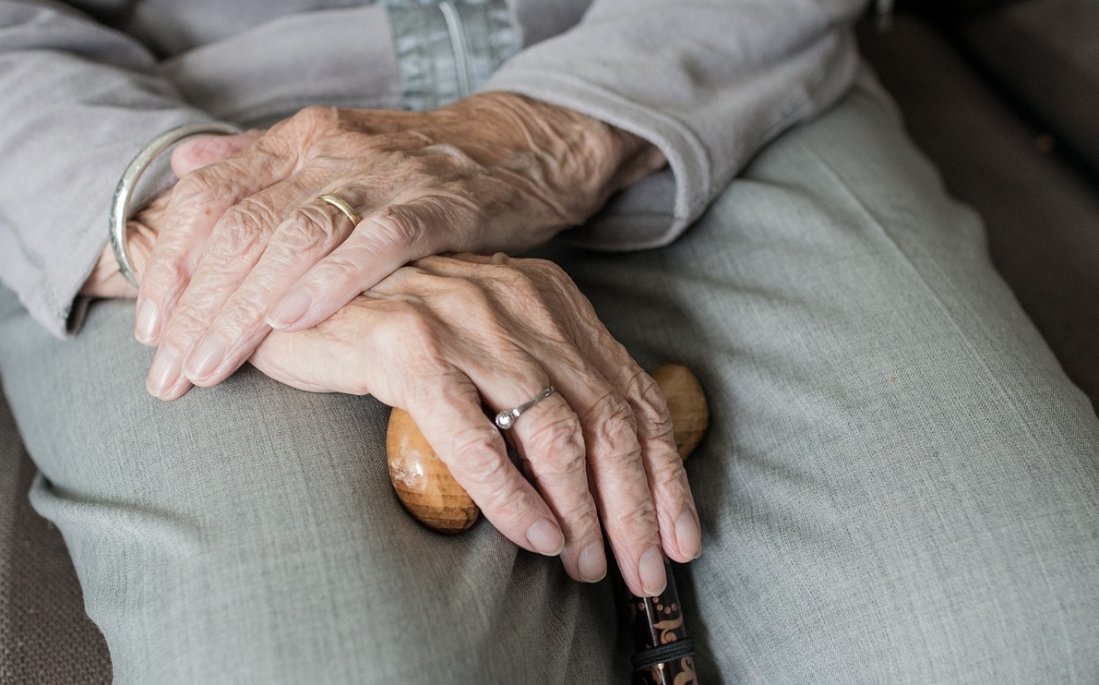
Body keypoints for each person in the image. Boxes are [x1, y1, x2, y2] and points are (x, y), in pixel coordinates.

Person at [1, 0, 1097, 683]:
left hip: (699, 72)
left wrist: (543, 133)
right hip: (173, 136)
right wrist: (215, 232)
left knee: (1039, 625)